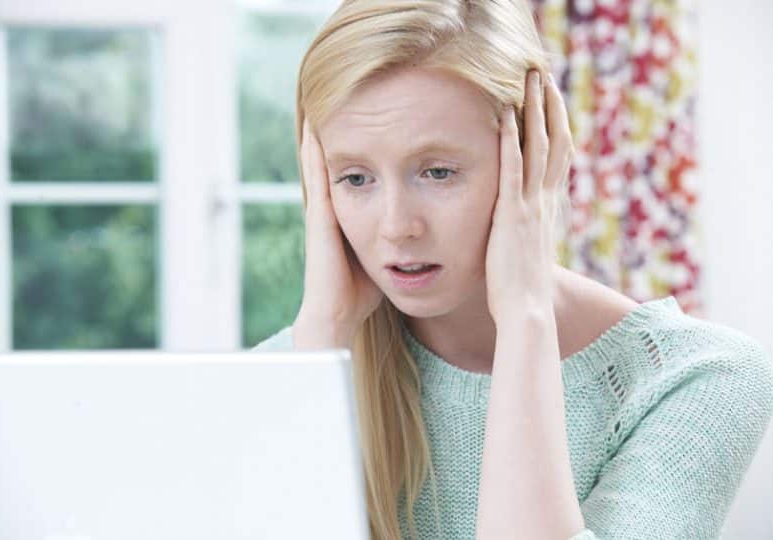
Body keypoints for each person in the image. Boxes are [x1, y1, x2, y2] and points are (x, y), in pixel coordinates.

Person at [249, 1, 773, 538]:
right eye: (355, 178)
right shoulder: (277, 377)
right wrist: (323, 339)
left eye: (437, 171)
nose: (396, 226)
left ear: (536, 156)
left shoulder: (697, 378)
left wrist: (525, 321)